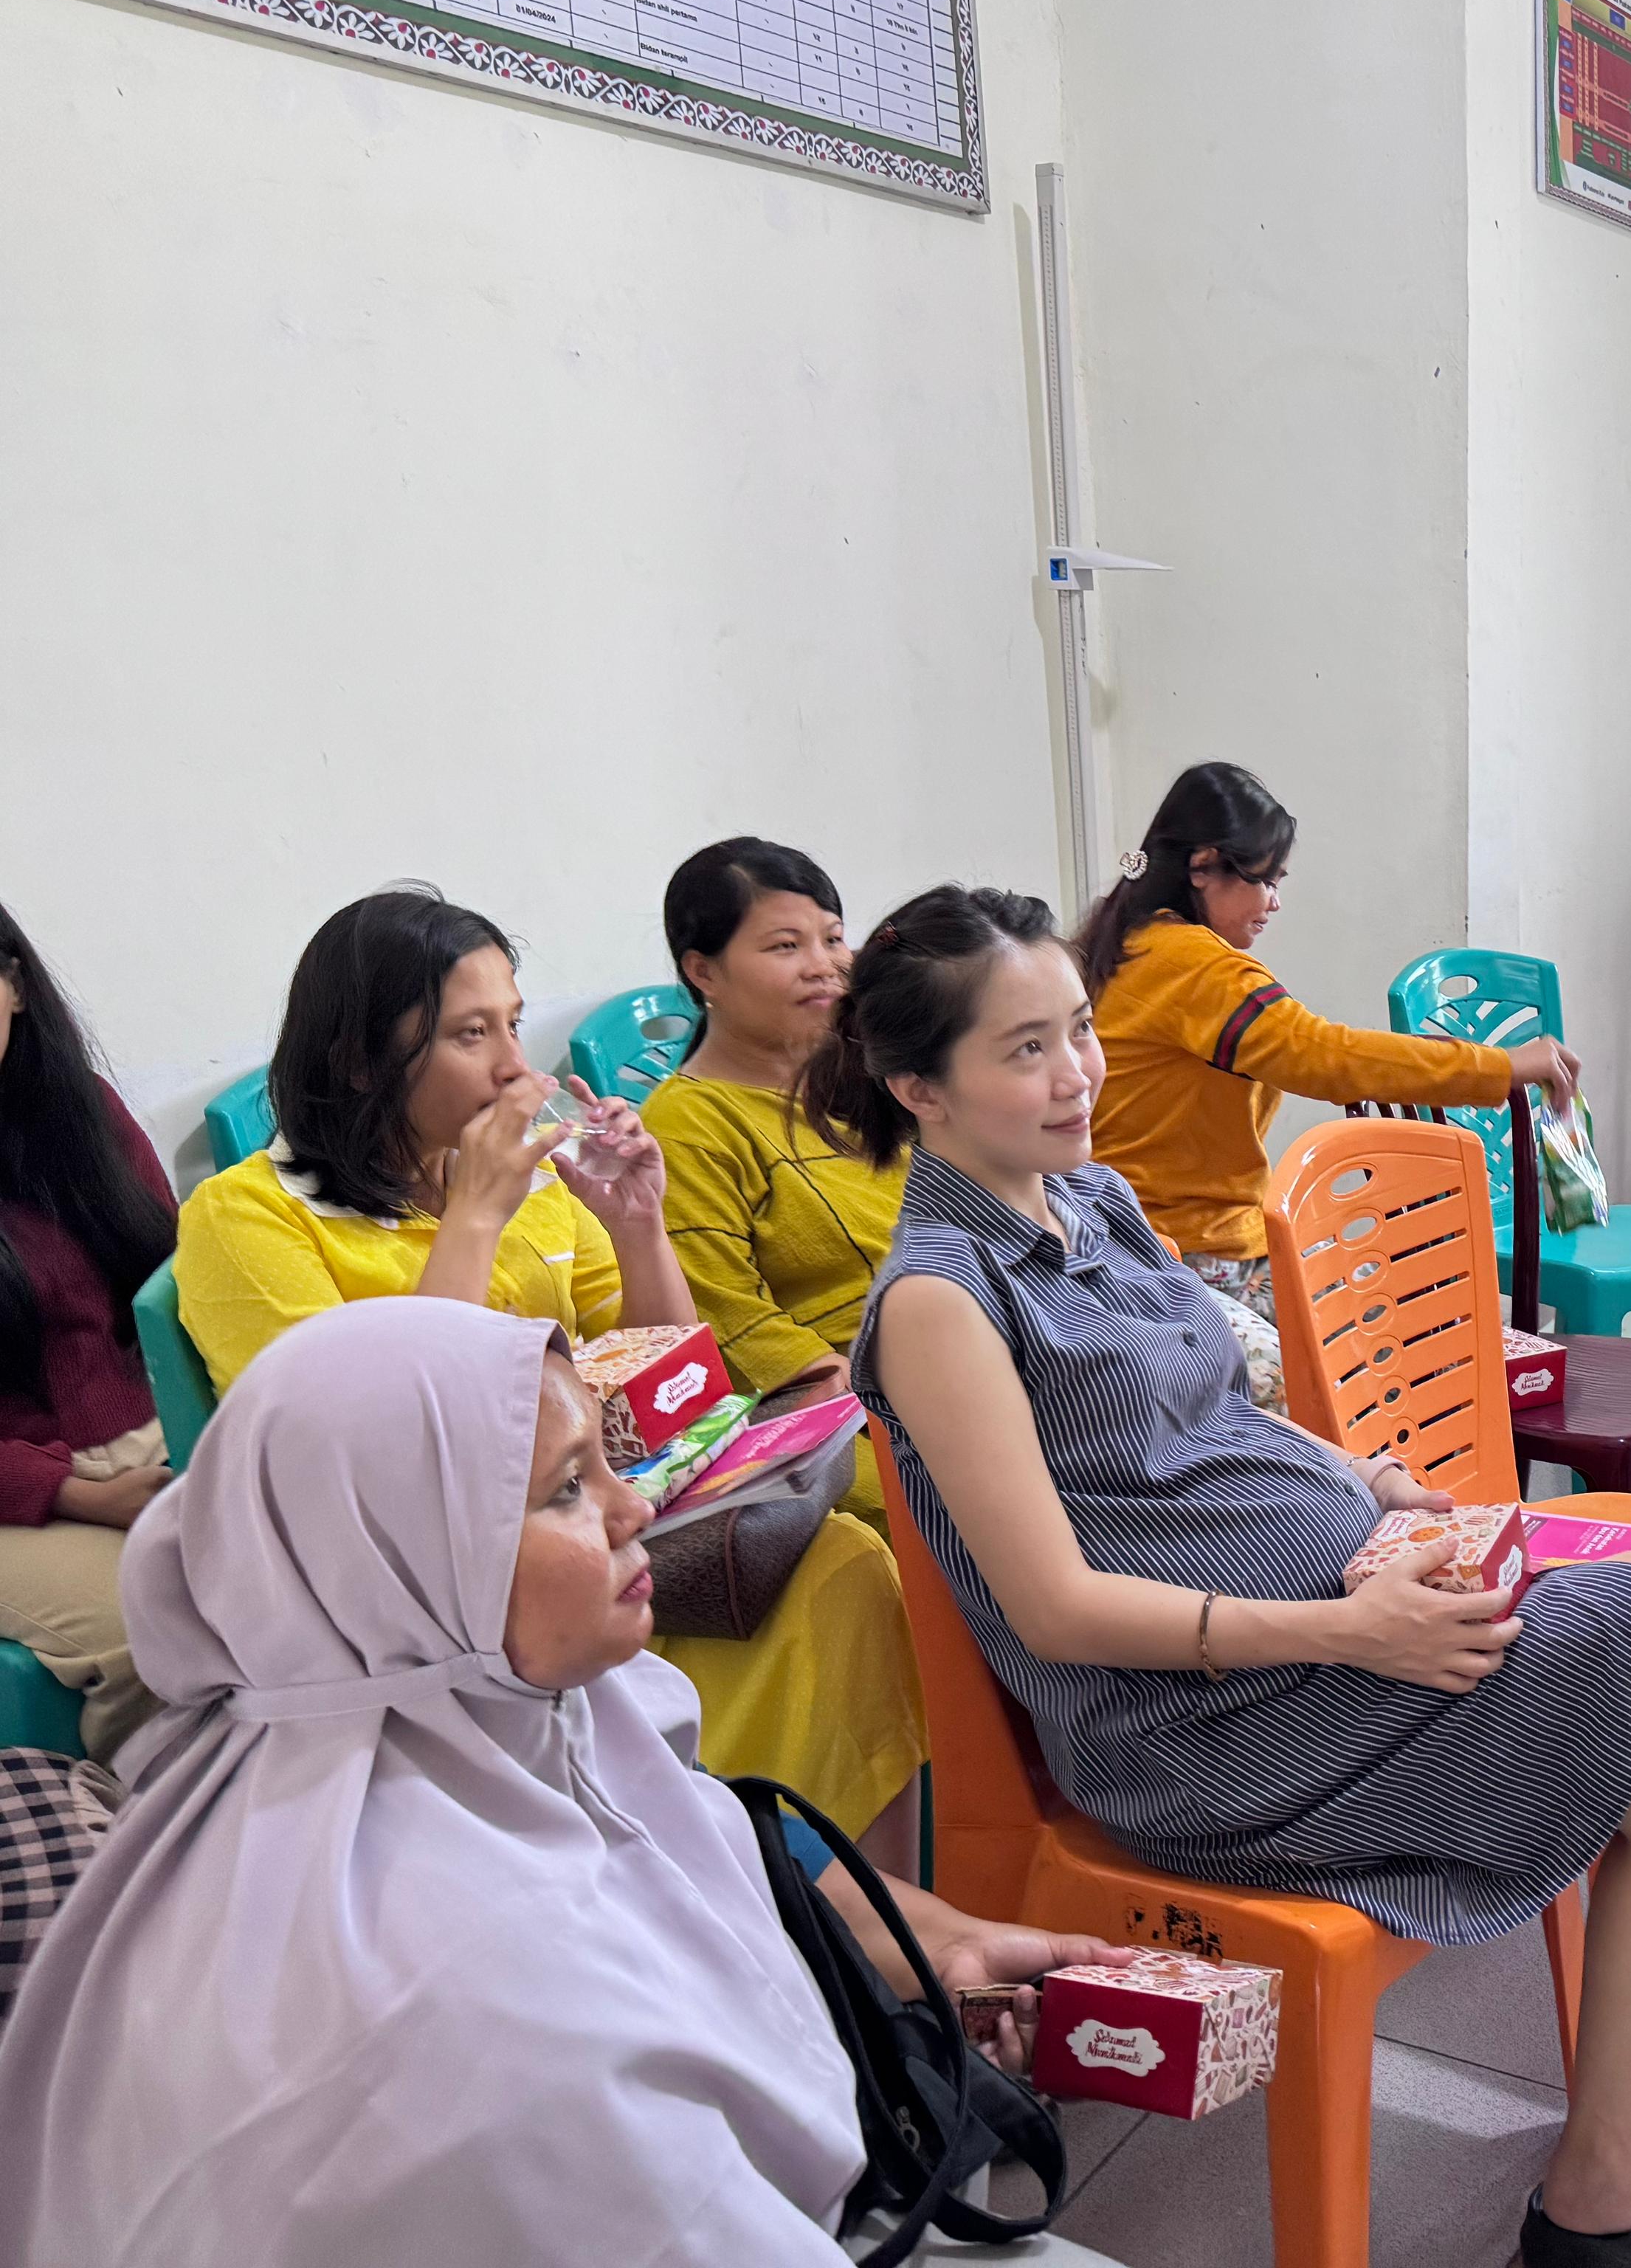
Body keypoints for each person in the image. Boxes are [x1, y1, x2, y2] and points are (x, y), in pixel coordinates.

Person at [824, 884, 1631, 2267]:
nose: (1077, 1071)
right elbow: (1058, 1610)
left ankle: (1601, 2181)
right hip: (1198, 1733)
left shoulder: (1095, 1200)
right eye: (1025, 1050)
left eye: (1079, 1029)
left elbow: (1217, 1412)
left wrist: (1363, 1481)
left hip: (1335, 1630)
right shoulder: (942, 1301)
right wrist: (1351, 1632)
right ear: (920, 1088)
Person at [0, 1296, 1130, 2266]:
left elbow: (703, 1855)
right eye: (564, 1492)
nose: (636, 1508)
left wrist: (934, 1955)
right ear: (409, 1572)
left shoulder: (520, 1723)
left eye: (603, 1463)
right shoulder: (471, 1997)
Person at [170, 889, 925, 1860]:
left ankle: (869, 1906)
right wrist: (474, 1217)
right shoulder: (246, 1218)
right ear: (359, 1061)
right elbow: (377, 1466)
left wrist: (638, 1226)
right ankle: (713, 1858)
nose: (514, 1066)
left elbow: (661, 1388)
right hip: (439, 1603)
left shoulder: (529, 1188)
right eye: (469, 1034)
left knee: (843, 1564)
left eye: (514, 1023)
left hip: (599, 1535)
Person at [1078, 762, 1580, 1408]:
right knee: (1347, 1394)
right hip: (1169, 1257)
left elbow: (1316, 1050)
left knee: (1409, 1321)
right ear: (1203, 866)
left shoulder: (1128, 943)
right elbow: (1324, 1056)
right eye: (1266, 880)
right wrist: (1500, 1066)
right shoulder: (1194, 966)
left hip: (1179, 1239)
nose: (1274, 903)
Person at [642, 838, 903, 1526]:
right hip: (838, 1406)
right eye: (786, 946)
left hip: (953, 1351)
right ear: (703, 971)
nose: (824, 966)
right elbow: (723, 1312)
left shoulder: (871, 1077)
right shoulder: (688, 1124)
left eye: (833, 938)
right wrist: (845, 1383)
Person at [0, 905, 176, 1760]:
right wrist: (85, 1495)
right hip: (20, 1491)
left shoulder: (82, 1114)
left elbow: (172, 1286)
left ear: (15, 986)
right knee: (150, 1636)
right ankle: (151, 1828)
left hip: (146, 1443)